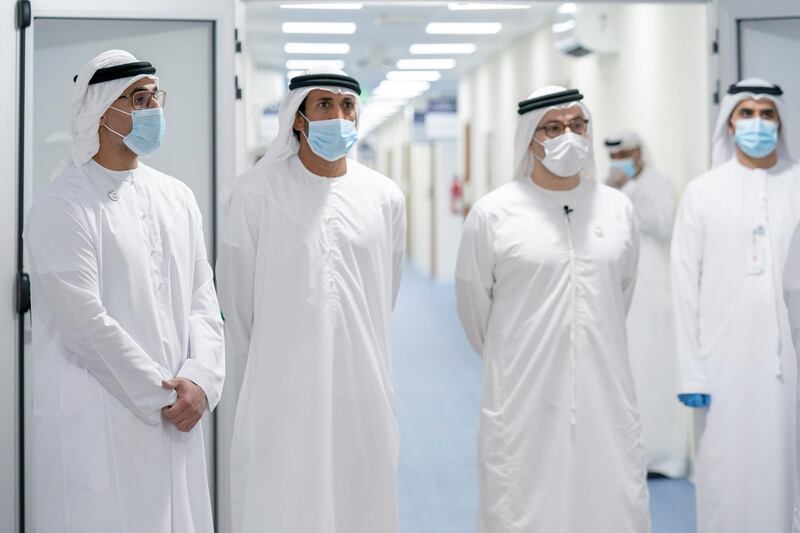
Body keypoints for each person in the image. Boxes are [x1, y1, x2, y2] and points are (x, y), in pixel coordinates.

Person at [25, 49, 224, 532]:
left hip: (180, 411)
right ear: (100, 110)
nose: (153, 110)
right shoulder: (65, 204)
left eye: (157, 98)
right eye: (138, 99)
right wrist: (163, 396)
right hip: (104, 412)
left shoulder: (177, 196)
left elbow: (204, 297)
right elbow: (84, 325)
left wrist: (201, 380)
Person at [217, 67, 406, 533]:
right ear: (298, 119)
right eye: (325, 105)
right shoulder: (254, 194)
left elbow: (387, 288)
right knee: (284, 499)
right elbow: (237, 303)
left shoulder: (384, 197)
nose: (338, 116)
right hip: (283, 388)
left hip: (362, 383)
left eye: (347, 106)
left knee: (361, 499)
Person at [455, 86, 649, 533]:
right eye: (553, 128)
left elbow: (620, 293)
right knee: (522, 504)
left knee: (610, 501)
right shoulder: (493, 214)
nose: (568, 136)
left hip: (605, 391)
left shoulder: (618, 209)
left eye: (577, 125)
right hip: (524, 394)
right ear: (530, 137)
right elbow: (474, 312)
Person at [672, 78, 800, 533]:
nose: (757, 123)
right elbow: (684, 288)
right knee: (725, 477)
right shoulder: (702, 192)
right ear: (729, 122)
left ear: (780, 120)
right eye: (746, 113)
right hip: (720, 367)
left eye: (767, 113)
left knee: (788, 475)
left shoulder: (798, 185)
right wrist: (692, 371)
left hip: (790, 368)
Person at [604, 129, 687, 478]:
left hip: (652, 292)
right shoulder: (608, 188)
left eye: (625, 153)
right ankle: (627, 453)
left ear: (639, 153)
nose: (620, 161)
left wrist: (628, 193)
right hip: (619, 291)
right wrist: (612, 191)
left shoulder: (658, 184)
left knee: (653, 371)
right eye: (614, 155)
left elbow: (662, 224)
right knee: (624, 374)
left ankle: (661, 456)